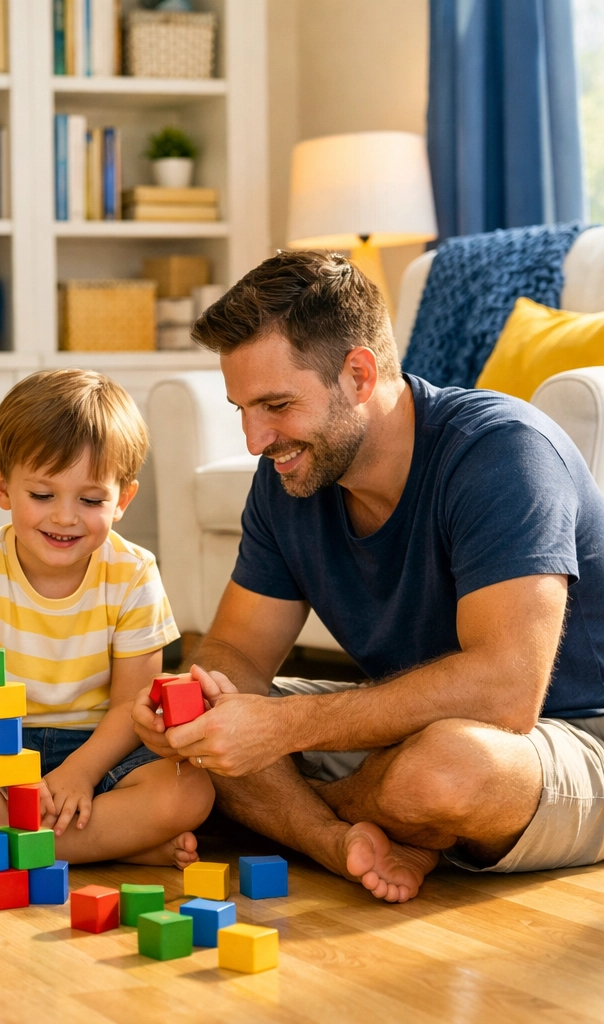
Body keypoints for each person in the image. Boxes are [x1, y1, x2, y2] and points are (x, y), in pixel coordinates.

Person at [133, 250, 604, 903]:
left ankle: (325, 812)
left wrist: (281, 735)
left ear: (358, 374)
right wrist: (193, 706)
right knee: (197, 724)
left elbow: (506, 692)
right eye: (242, 408)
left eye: (275, 404)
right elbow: (236, 651)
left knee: (441, 773)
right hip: (409, 724)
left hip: (567, 734)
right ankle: (339, 842)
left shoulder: (503, 453)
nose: (253, 439)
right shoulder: (289, 479)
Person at [0, 369, 215, 868]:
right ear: (3, 487)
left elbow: (132, 704)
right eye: (42, 495)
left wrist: (79, 772)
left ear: (123, 500)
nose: (65, 516)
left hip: (99, 748)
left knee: (190, 793)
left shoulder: (134, 573)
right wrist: (13, 769)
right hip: (1, 750)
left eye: (91, 499)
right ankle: (116, 845)